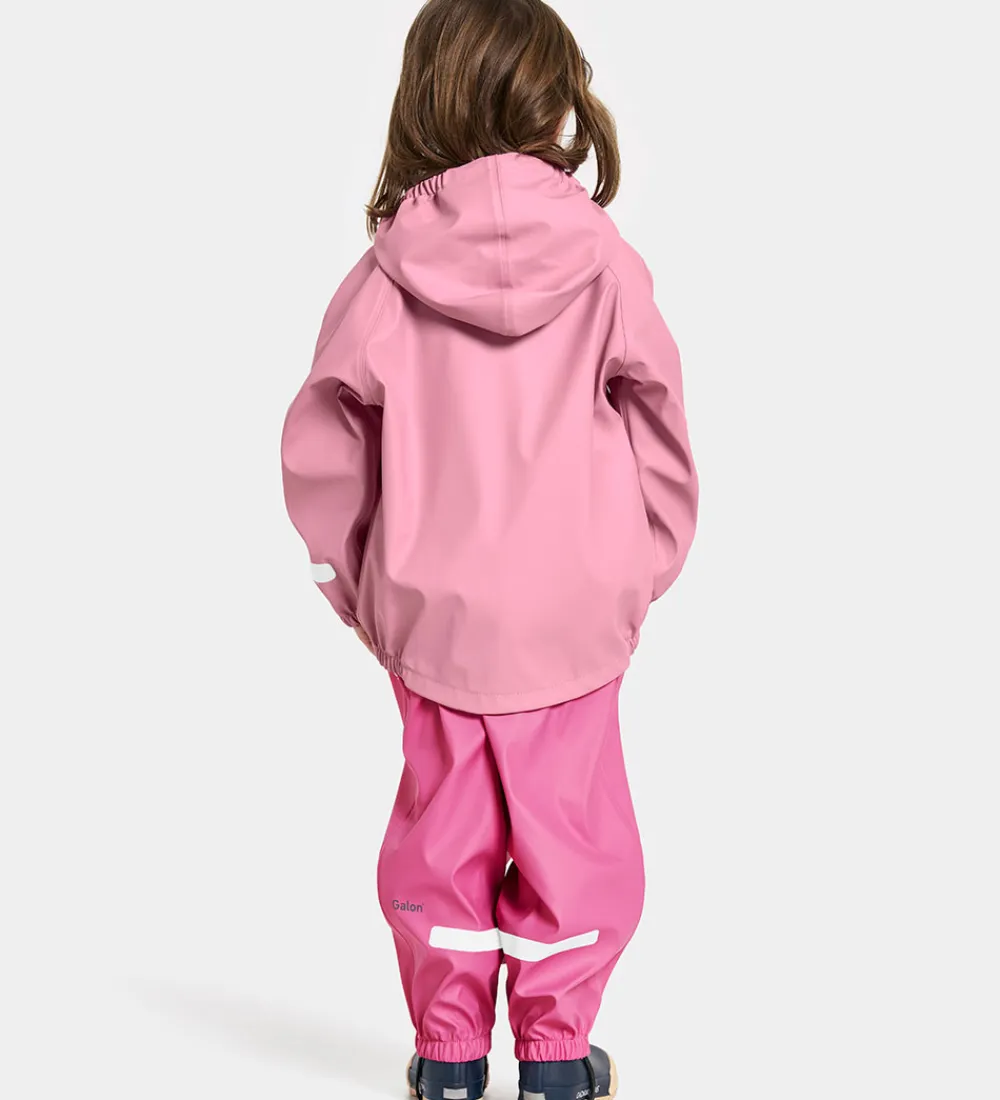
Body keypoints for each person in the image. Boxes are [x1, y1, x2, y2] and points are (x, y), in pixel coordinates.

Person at [280, 1, 699, 1097]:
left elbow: (324, 444)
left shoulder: (386, 274)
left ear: (425, 96)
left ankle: (451, 1055)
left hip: (436, 614)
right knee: (575, 835)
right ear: (553, 101)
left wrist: (363, 588)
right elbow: (659, 423)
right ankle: (556, 1063)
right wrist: (638, 564)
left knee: (444, 835)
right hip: (576, 610)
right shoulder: (604, 261)